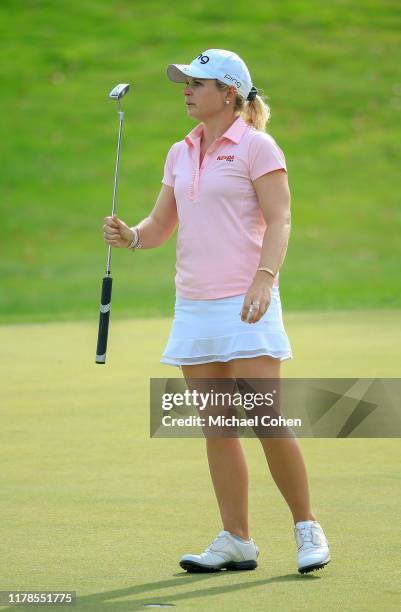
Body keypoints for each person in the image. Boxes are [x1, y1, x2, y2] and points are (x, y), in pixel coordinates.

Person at [102, 48, 331, 575]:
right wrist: (131, 237)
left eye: (197, 83)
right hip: (195, 305)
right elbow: (161, 226)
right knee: (218, 427)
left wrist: (265, 279)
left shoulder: (257, 146)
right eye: (185, 82)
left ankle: (306, 526)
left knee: (267, 419)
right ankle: (236, 539)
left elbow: (281, 220)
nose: (185, 89)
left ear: (228, 92)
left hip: (247, 299)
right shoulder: (179, 152)